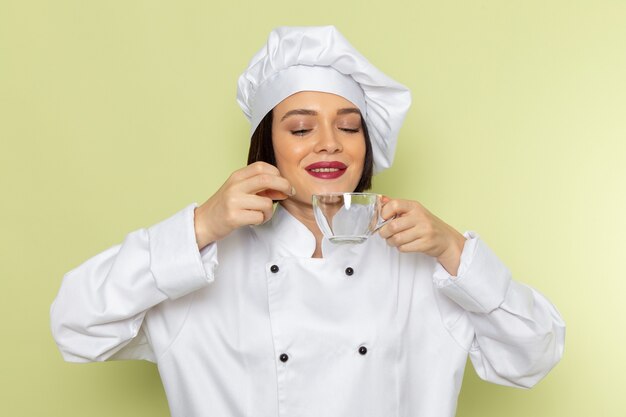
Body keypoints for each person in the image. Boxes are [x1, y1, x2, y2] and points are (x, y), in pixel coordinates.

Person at [50, 26, 565, 417]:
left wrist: (454, 248)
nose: (329, 143)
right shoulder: (203, 260)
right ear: (266, 145)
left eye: (348, 127)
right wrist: (201, 226)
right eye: (300, 127)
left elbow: (533, 356)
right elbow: (76, 325)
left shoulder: (422, 264)